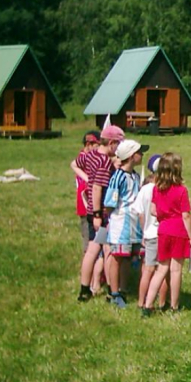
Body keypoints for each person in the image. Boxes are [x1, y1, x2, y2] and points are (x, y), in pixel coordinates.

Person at [142, 153, 191, 317]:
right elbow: (186, 215)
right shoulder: (181, 190)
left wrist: (162, 216)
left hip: (163, 230)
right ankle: (174, 305)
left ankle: (147, 305)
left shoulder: (157, 189)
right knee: (175, 270)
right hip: (178, 230)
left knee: (161, 269)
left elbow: (152, 210)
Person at [76, 124, 125, 302]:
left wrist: (86, 178)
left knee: (92, 250)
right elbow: (97, 188)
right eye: (118, 145)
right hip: (100, 214)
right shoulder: (104, 163)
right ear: (111, 143)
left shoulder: (90, 155)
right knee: (104, 250)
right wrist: (98, 215)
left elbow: (75, 164)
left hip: (89, 210)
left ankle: (85, 288)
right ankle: (112, 290)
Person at [103, 139, 148, 309]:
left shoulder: (135, 176)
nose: (142, 155)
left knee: (128, 259)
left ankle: (123, 288)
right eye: (139, 152)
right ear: (130, 156)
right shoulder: (118, 177)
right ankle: (114, 292)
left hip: (135, 227)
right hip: (121, 226)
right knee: (117, 258)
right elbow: (109, 203)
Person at [133, 154, 169, 311]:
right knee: (163, 270)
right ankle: (162, 302)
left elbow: (140, 213)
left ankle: (141, 301)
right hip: (162, 233)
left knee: (147, 270)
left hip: (148, 234)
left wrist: (143, 231)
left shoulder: (145, 189)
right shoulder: (165, 189)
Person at [70, 131, 100, 281]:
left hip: (91, 206)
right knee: (89, 244)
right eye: (97, 145)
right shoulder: (84, 159)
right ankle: (88, 277)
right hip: (86, 207)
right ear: (89, 144)